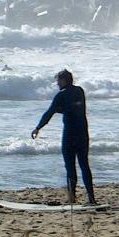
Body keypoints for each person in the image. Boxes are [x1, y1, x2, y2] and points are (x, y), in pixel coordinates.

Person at [33, 69, 95, 205]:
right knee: (84, 165)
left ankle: (72, 199)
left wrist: (38, 128)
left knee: (70, 166)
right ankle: (91, 199)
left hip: (70, 135)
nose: (57, 84)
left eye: (58, 81)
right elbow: (74, 108)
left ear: (64, 80)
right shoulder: (80, 91)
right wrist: (61, 109)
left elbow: (50, 112)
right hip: (83, 133)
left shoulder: (61, 95)